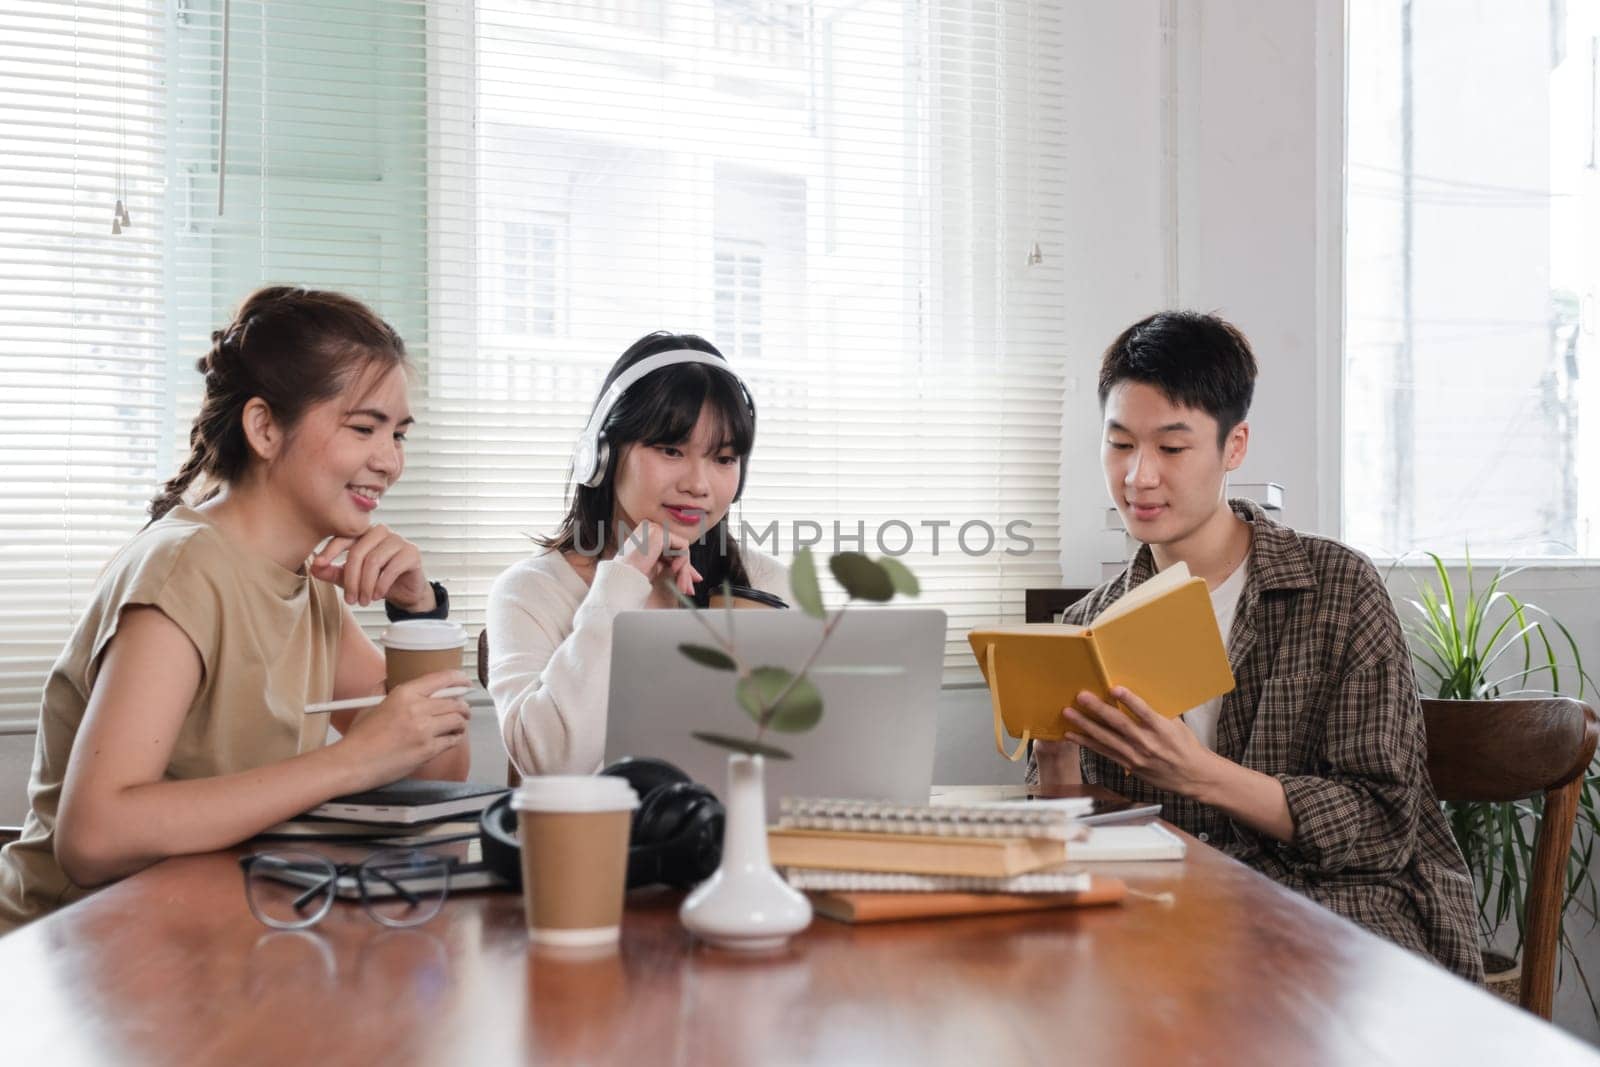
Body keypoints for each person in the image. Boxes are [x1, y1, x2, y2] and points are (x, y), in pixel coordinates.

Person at [0, 287, 471, 933]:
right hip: (72, 958)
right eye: (363, 428)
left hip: (206, 937)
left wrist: (417, 615)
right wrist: (351, 760)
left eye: (398, 433)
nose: (390, 461)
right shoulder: (185, 567)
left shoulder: (308, 584)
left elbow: (437, 772)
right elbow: (95, 835)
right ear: (264, 427)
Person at [1030, 310, 1482, 983]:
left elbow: (1384, 823)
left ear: (1234, 446)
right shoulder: (1083, 629)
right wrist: (1056, 765)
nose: (1139, 476)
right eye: (1120, 444)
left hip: (1339, 917)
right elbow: (1065, 856)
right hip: (1161, 922)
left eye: (1172, 449)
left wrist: (1200, 774)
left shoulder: (1338, 587)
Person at [487, 332, 787, 776]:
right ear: (603, 456)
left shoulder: (765, 585)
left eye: (723, 458)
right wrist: (621, 583)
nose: (699, 484)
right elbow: (552, 764)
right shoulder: (531, 592)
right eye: (671, 450)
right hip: (597, 842)